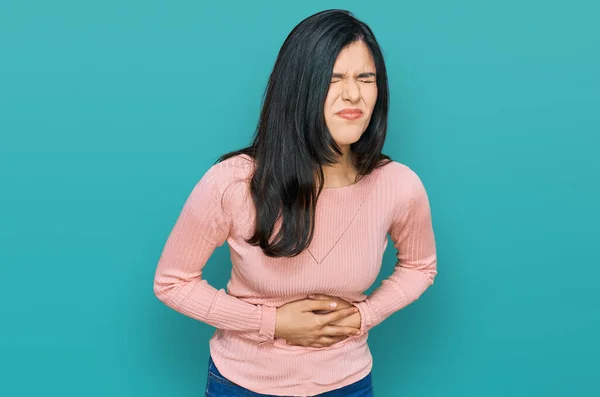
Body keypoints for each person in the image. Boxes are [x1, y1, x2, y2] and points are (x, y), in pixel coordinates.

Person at [153, 8, 437, 397]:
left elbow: (421, 266)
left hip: (348, 384)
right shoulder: (235, 181)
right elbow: (172, 282)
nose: (352, 94)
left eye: (365, 78)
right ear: (298, 87)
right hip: (242, 384)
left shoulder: (399, 185)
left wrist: (365, 316)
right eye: (332, 79)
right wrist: (271, 323)